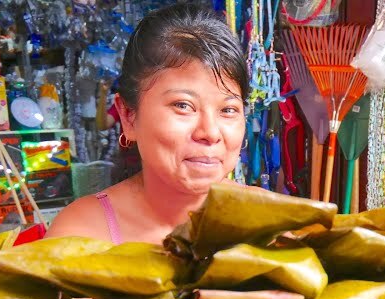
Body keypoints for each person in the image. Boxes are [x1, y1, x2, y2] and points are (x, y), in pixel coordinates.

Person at [45, 2, 248, 245]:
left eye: (228, 109)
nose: (210, 133)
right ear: (129, 116)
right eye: (183, 105)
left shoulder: (275, 225)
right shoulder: (81, 233)